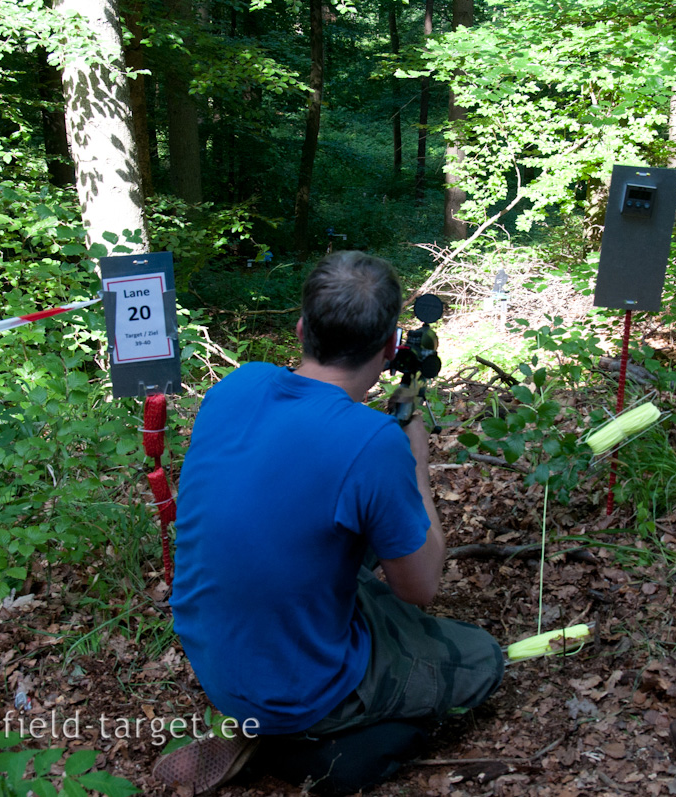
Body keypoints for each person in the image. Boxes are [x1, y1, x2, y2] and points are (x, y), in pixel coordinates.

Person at [156, 251, 504, 794]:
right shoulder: (373, 442)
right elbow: (420, 588)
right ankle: (313, 750)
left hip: (214, 660)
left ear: (301, 330)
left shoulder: (237, 386)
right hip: (295, 693)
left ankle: (264, 722)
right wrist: (414, 452)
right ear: (390, 348)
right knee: (483, 659)